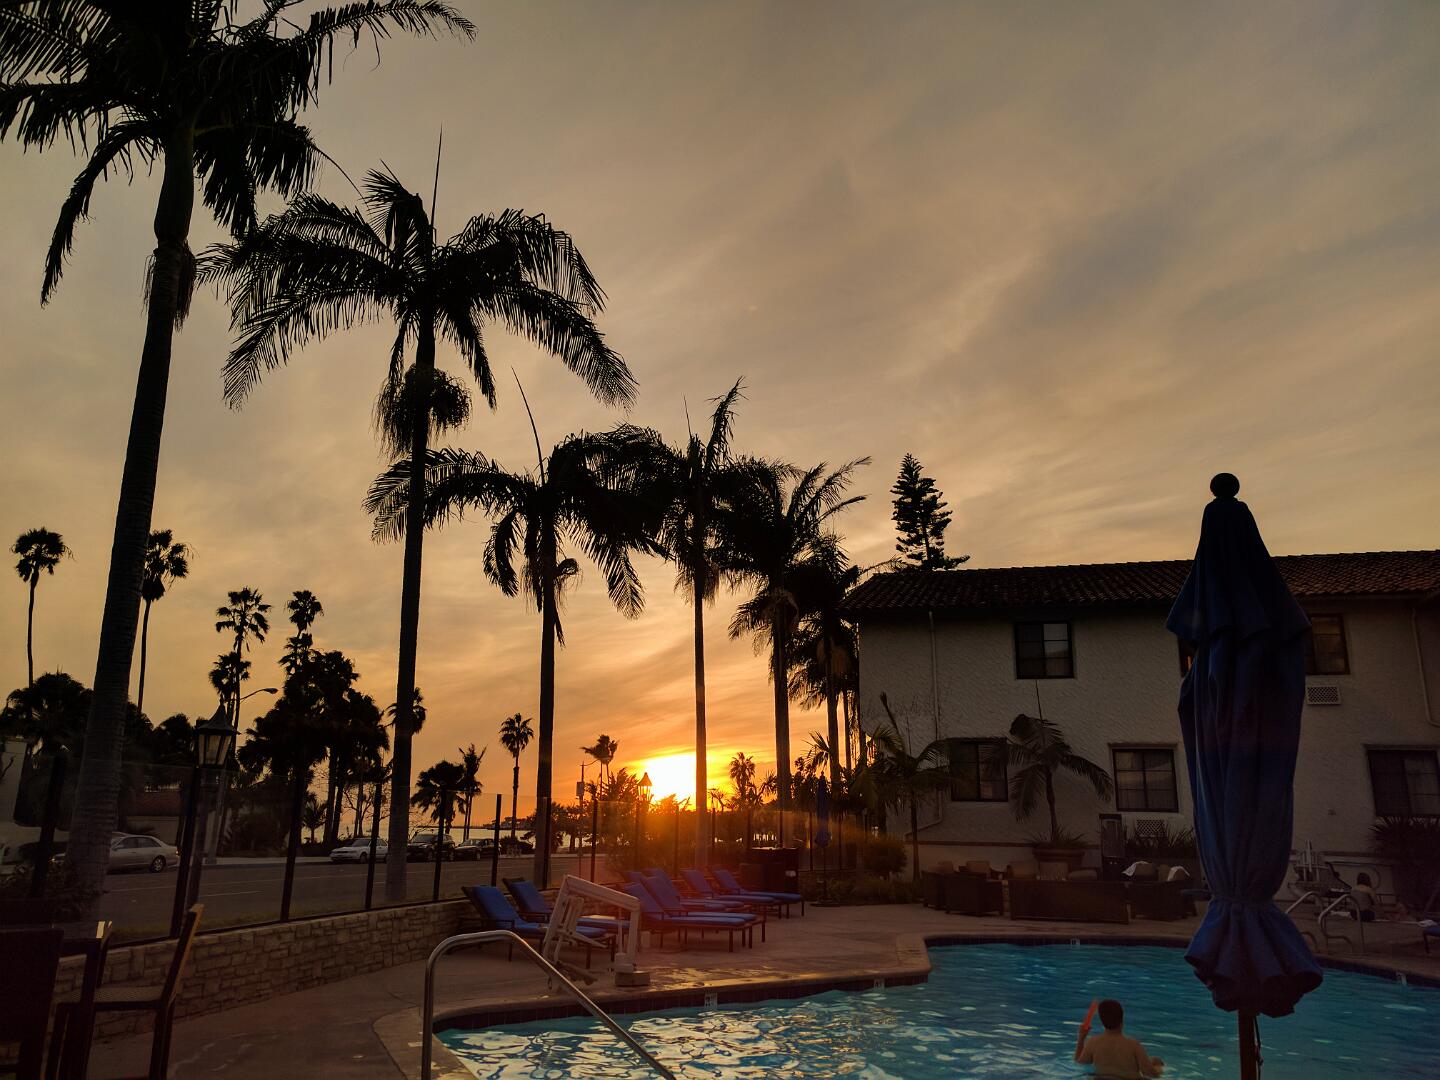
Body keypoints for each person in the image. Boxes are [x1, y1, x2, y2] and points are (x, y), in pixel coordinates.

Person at [1074, 998, 1164, 1078]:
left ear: (1102, 1021)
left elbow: (1079, 1063)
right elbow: (1150, 1074)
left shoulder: (1093, 1043)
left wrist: (1081, 1038)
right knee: (1156, 1061)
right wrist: (1158, 1067)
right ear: (1122, 1019)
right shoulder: (1134, 1045)